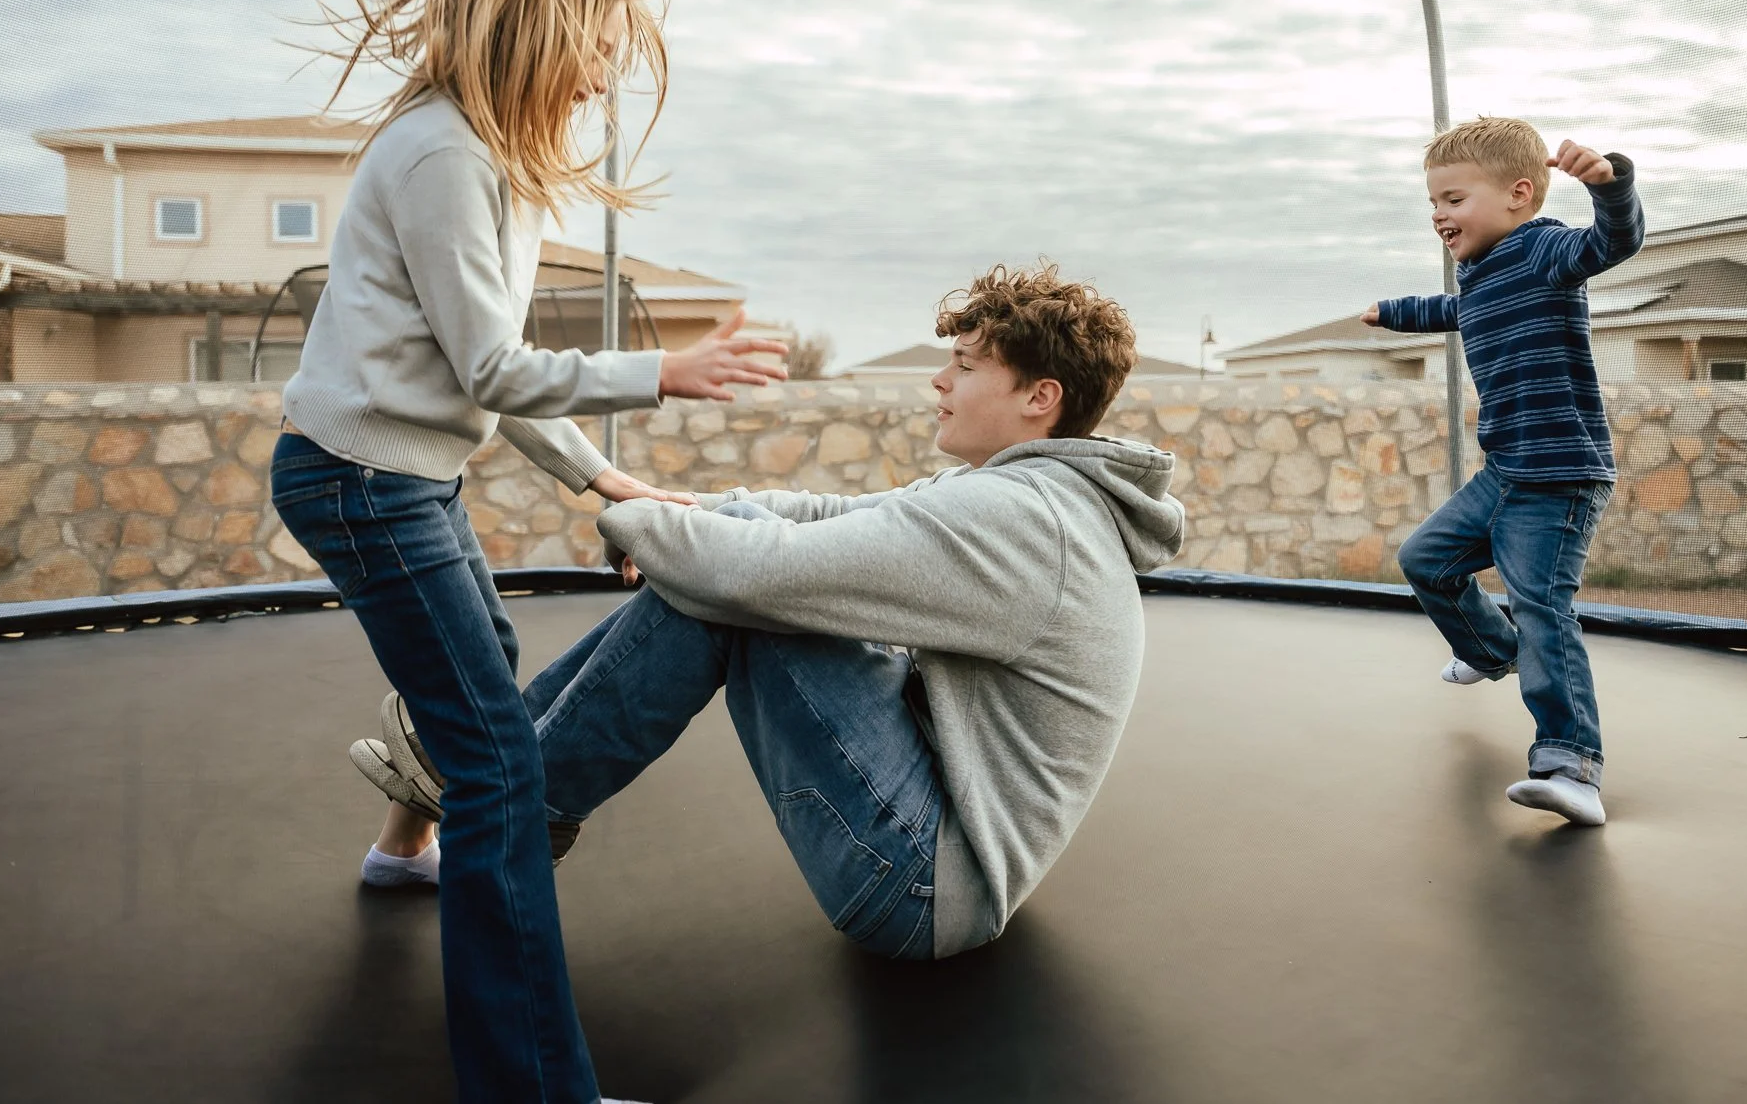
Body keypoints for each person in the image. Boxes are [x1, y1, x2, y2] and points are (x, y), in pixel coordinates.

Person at [271, 0, 786, 1104]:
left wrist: (602, 484)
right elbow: (497, 368)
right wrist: (659, 378)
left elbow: (479, 381)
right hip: (357, 481)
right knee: (500, 768)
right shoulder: (443, 153)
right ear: (533, 26)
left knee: (478, 676)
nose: (609, 67)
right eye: (598, 40)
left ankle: (403, 853)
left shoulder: (490, 163)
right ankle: (533, 1086)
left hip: (395, 473)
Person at [355, 263, 1185, 959]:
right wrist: (682, 504)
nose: (940, 379)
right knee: (732, 560)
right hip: (941, 841)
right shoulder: (1022, 493)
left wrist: (630, 517)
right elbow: (839, 518)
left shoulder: (1027, 522)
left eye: (966, 366)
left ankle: (511, 803)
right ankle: (503, 781)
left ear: (1040, 398)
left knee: (737, 588)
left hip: (926, 886)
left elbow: (767, 571)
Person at [1360, 116, 1644, 828]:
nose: (1438, 215)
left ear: (1520, 194)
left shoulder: (1544, 249)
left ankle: (1570, 765)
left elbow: (1614, 243)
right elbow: (1457, 310)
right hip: (1507, 471)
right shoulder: (1483, 275)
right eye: (1433, 203)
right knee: (1425, 558)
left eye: (1454, 199)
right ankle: (1489, 651)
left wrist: (1610, 185)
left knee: (1542, 606)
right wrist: (1394, 313)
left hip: (1559, 474)